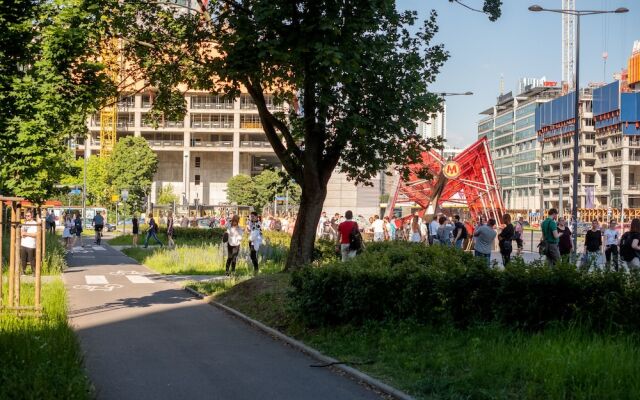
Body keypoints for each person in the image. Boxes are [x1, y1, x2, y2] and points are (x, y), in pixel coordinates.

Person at [20, 210, 39, 275]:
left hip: (31, 245)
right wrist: (22, 233)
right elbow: (21, 231)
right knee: (23, 259)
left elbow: (36, 234)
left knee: (32, 259)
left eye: (28, 216)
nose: (27, 217)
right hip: (23, 244)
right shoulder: (24, 223)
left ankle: (34, 272)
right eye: (26, 216)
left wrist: (26, 234)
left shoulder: (35, 224)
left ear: (32, 216)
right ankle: (23, 271)